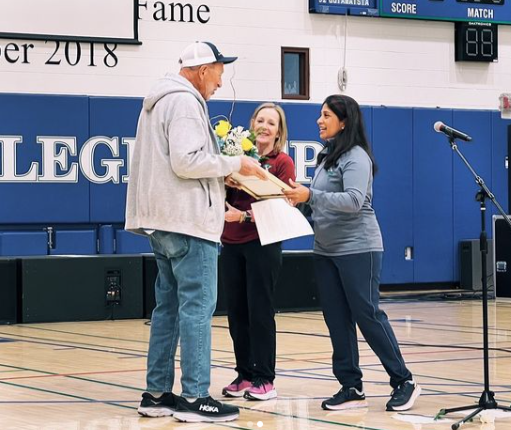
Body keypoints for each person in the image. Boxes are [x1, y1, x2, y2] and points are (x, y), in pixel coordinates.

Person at [125, 41, 267, 423]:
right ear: (203, 69)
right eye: (221, 70)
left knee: (167, 310)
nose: (222, 80)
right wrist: (235, 163)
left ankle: (156, 395)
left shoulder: (158, 101)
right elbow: (187, 162)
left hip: (163, 221)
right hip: (188, 224)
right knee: (196, 311)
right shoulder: (186, 103)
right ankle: (195, 398)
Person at [284, 95, 421, 412]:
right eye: (320, 114)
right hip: (325, 251)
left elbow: (353, 201)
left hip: (359, 249)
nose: (320, 120)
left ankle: (404, 381)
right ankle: (350, 386)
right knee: (337, 319)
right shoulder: (325, 157)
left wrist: (310, 194)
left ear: (344, 121)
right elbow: (318, 201)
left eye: (326, 115)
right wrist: (297, 201)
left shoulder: (356, 157)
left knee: (367, 315)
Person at [220, 103, 295, 401]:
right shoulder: (236, 158)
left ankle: (265, 378)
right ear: (252, 125)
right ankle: (244, 374)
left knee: (260, 312)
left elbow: (282, 206)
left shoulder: (282, 163)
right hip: (231, 243)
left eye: (271, 123)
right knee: (237, 313)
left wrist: (244, 217)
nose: (264, 126)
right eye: (260, 120)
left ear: (278, 132)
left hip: (263, 245)